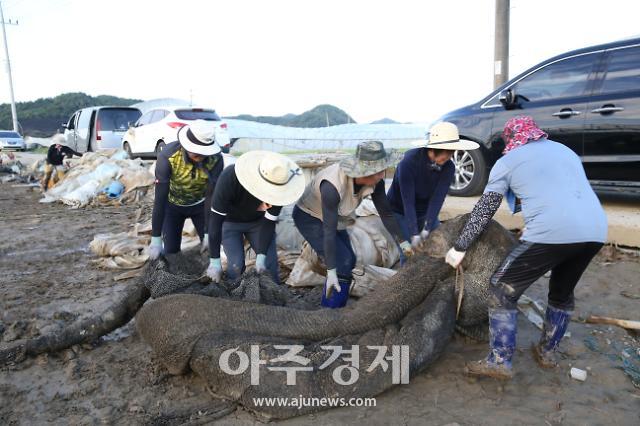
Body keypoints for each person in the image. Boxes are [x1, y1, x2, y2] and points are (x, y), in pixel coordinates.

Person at [445, 116, 607, 379]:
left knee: (501, 287)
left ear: (511, 139)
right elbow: (561, 193)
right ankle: (547, 352)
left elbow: (484, 210)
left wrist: (460, 246)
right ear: (535, 133)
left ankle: (499, 360)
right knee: (561, 293)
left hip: (552, 232)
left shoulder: (507, 162)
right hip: (595, 231)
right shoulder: (566, 151)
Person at [293, 140, 413, 308]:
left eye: (382, 170)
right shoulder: (332, 187)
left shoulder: (376, 180)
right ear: (362, 172)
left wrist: (403, 241)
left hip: (339, 216)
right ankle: (328, 311)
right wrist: (331, 270)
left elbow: (385, 212)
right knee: (341, 262)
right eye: (377, 172)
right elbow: (328, 231)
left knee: (350, 259)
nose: (381, 176)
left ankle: (336, 301)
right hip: (310, 216)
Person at [206, 151, 305, 285]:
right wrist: (215, 262)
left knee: (269, 266)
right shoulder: (230, 178)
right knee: (236, 266)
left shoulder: (280, 188)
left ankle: (273, 301)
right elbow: (215, 222)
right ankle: (231, 300)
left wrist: (261, 257)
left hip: (259, 223)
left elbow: (269, 223)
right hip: (229, 222)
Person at [387, 122, 479, 253]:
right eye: (445, 152)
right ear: (432, 149)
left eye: (451, 153)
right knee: (408, 252)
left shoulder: (448, 167)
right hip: (399, 210)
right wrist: (414, 233)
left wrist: (426, 229)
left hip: (424, 210)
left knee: (438, 244)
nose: (448, 157)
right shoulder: (408, 162)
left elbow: (437, 199)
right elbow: (408, 202)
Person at [148, 120, 224, 260]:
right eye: (196, 152)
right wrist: (156, 237)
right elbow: (160, 199)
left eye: (204, 153)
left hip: (201, 206)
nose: (200, 157)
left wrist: (208, 232)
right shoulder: (167, 157)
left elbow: (211, 196)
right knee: (171, 251)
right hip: (172, 206)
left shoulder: (216, 159)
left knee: (211, 247)